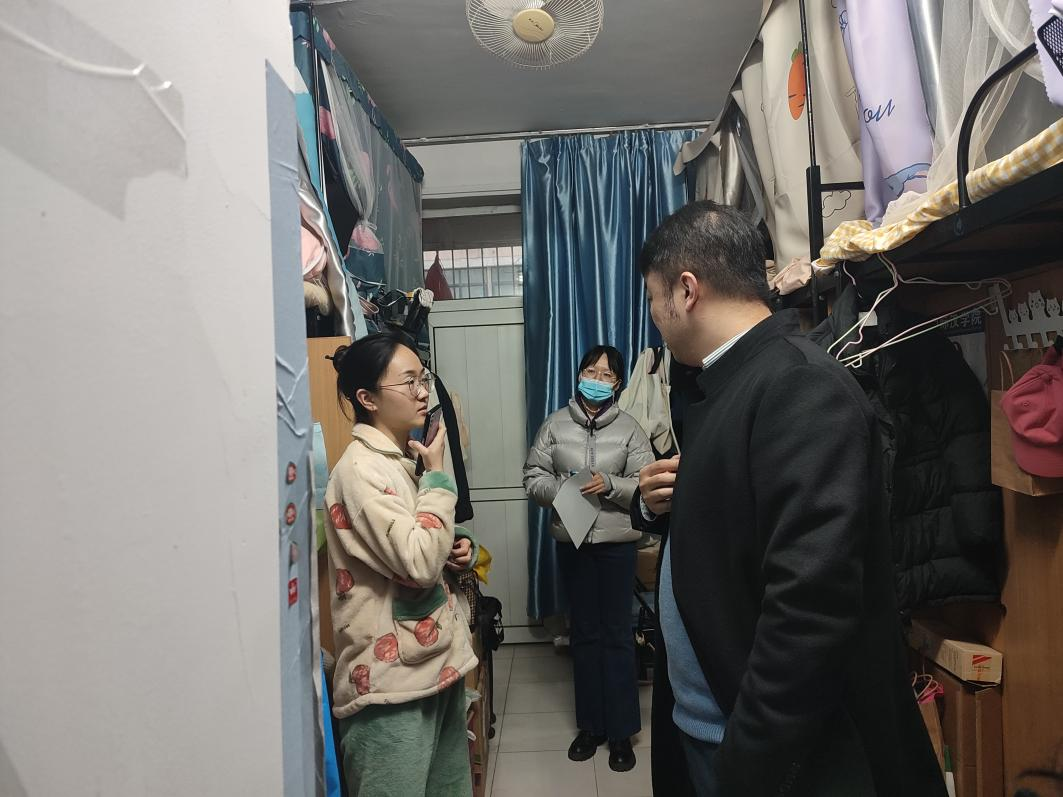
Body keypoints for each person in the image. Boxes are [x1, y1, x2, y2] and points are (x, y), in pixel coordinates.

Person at [636, 200, 946, 796]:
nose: (654, 315)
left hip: (764, 752)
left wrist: (751, 761)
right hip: (711, 722)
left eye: (654, 297)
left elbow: (810, 608)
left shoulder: (799, 386)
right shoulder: (727, 383)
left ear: (687, 290)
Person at [323, 331, 480, 797]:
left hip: (434, 667)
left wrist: (458, 546)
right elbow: (417, 562)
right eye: (408, 381)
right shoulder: (359, 471)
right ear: (367, 398)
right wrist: (439, 479)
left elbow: (422, 538)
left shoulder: (402, 459)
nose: (423, 391)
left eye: (422, 378)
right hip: (390, 686)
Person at [523, 345, 655, 773]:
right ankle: (591, 726)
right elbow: (532, 478)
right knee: (584, 633)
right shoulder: (554, 425)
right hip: (573, 542)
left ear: (617, 383)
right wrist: (564, 491)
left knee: (617, 634)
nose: (597, 380)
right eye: (590, 372)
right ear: (579, 374)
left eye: (606, 374)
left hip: (617, 544)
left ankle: (621, 732)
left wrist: (610, 485)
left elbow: (646, 485)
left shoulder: (631, 430)